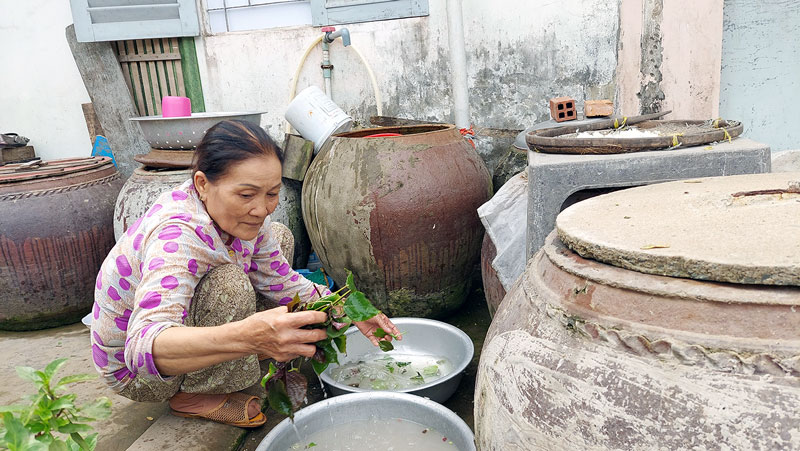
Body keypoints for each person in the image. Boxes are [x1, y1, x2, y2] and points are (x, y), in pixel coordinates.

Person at [90, 120, 400, 428]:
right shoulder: (178, 236)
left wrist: (345, 307)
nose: (262, 208)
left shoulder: (244, 217)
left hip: (184, 328)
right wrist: (249, 338)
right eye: (246, 195)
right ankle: (193, 395)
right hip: (141, 376)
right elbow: (141, 350)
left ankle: (242, 354)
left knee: (277, 234)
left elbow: (282, 279)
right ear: (202, 184)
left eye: (272, 193)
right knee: (229, 284)